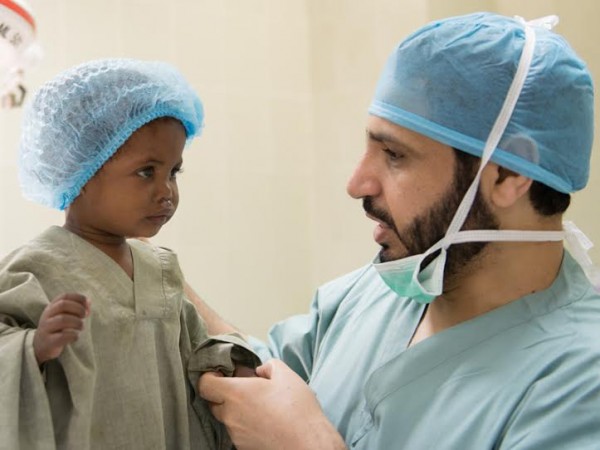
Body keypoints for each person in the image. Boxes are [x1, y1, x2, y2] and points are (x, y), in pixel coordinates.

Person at [196, 12, 600, 450]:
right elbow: (260, 382)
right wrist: (158, 270)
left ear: (507, 174)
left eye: (394, 154)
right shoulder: (368, 297)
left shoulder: (580, 382)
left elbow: (287, 430)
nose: (357, 185)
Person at [0, 58, 259, 450]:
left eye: (174, 172)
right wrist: (33, 349)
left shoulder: (161, 270)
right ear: (82, 170)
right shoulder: (34, 270)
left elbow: (197, 351)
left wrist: (232, 362)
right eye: (147, 172)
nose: (166, 191)